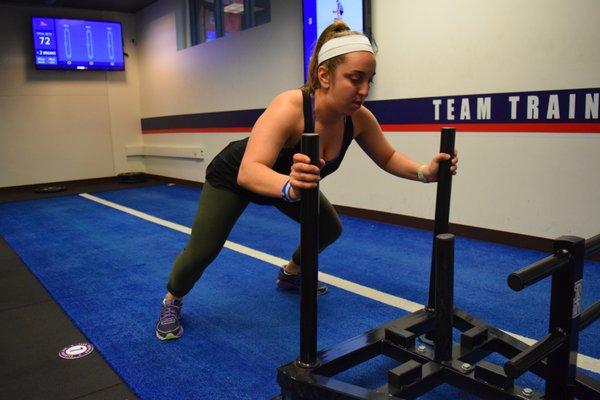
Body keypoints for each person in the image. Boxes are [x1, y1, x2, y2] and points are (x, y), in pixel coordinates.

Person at [155, 20, 459, 340]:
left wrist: (426, 172)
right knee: (203, 251)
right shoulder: (291, 107)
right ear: (324, 76)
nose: (364, 90)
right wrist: (288, 187)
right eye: (355, 79)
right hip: (235, 177)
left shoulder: (358, 119)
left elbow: (387, 157)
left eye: (369, 80)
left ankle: (291, 273)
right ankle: (172, 299)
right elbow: (250, 170)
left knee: (328, 228)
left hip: (291, 187)